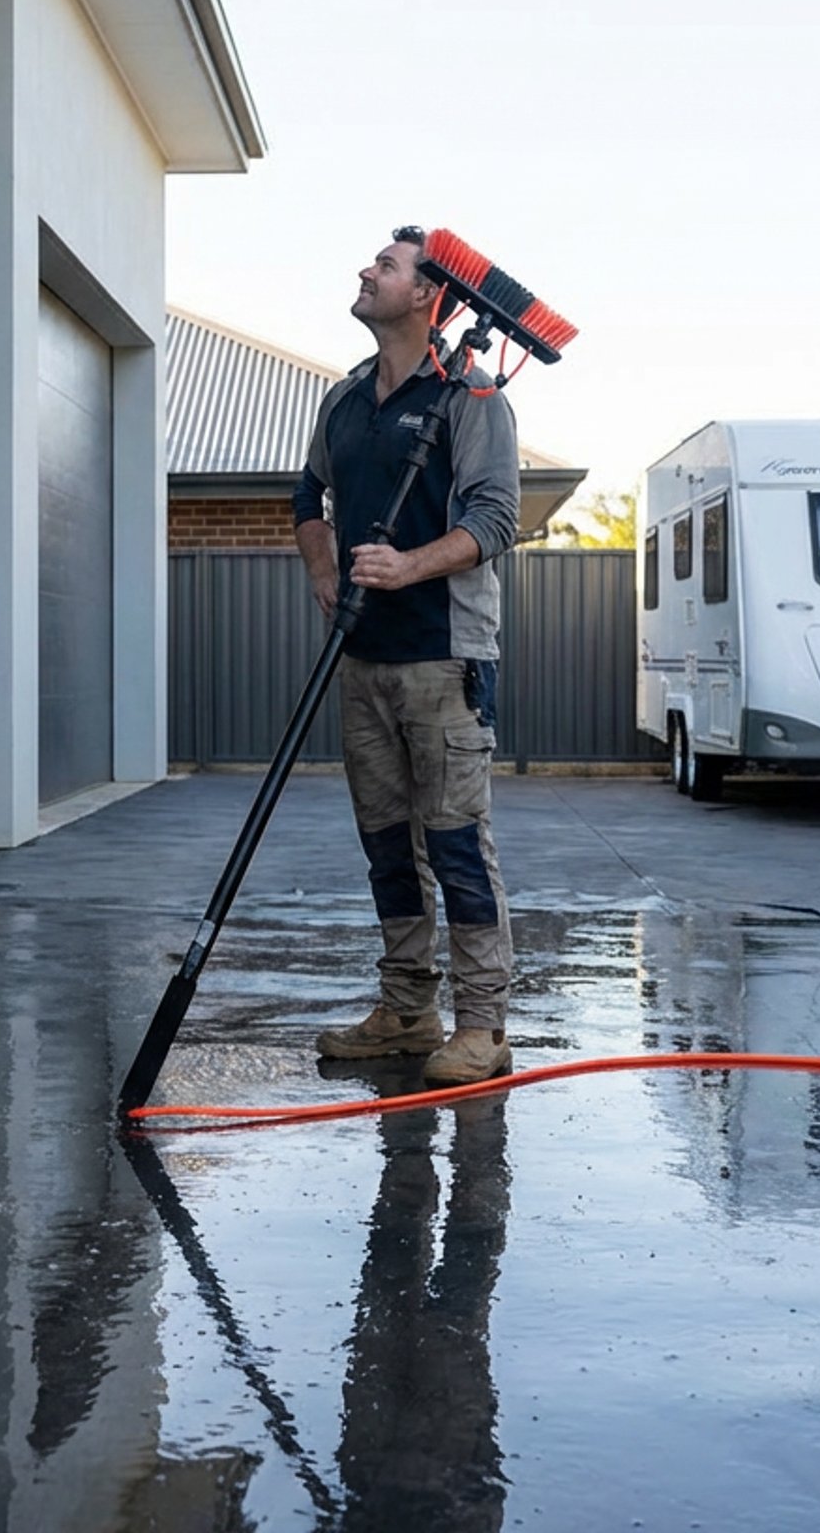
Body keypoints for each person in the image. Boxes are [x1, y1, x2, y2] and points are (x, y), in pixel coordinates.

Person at [293, 226, 523, 1086]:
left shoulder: (473, 397)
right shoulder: (346, 401)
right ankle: (406, 1008)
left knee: (456, 843)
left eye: (384, 266)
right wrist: (326, 570)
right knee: (387, 844)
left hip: (444, 656)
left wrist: (407, 565)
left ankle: (483, 1024)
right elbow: (305, 493)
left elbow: (497, 520)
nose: (364, 270)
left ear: (428, 295)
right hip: (363, 658)